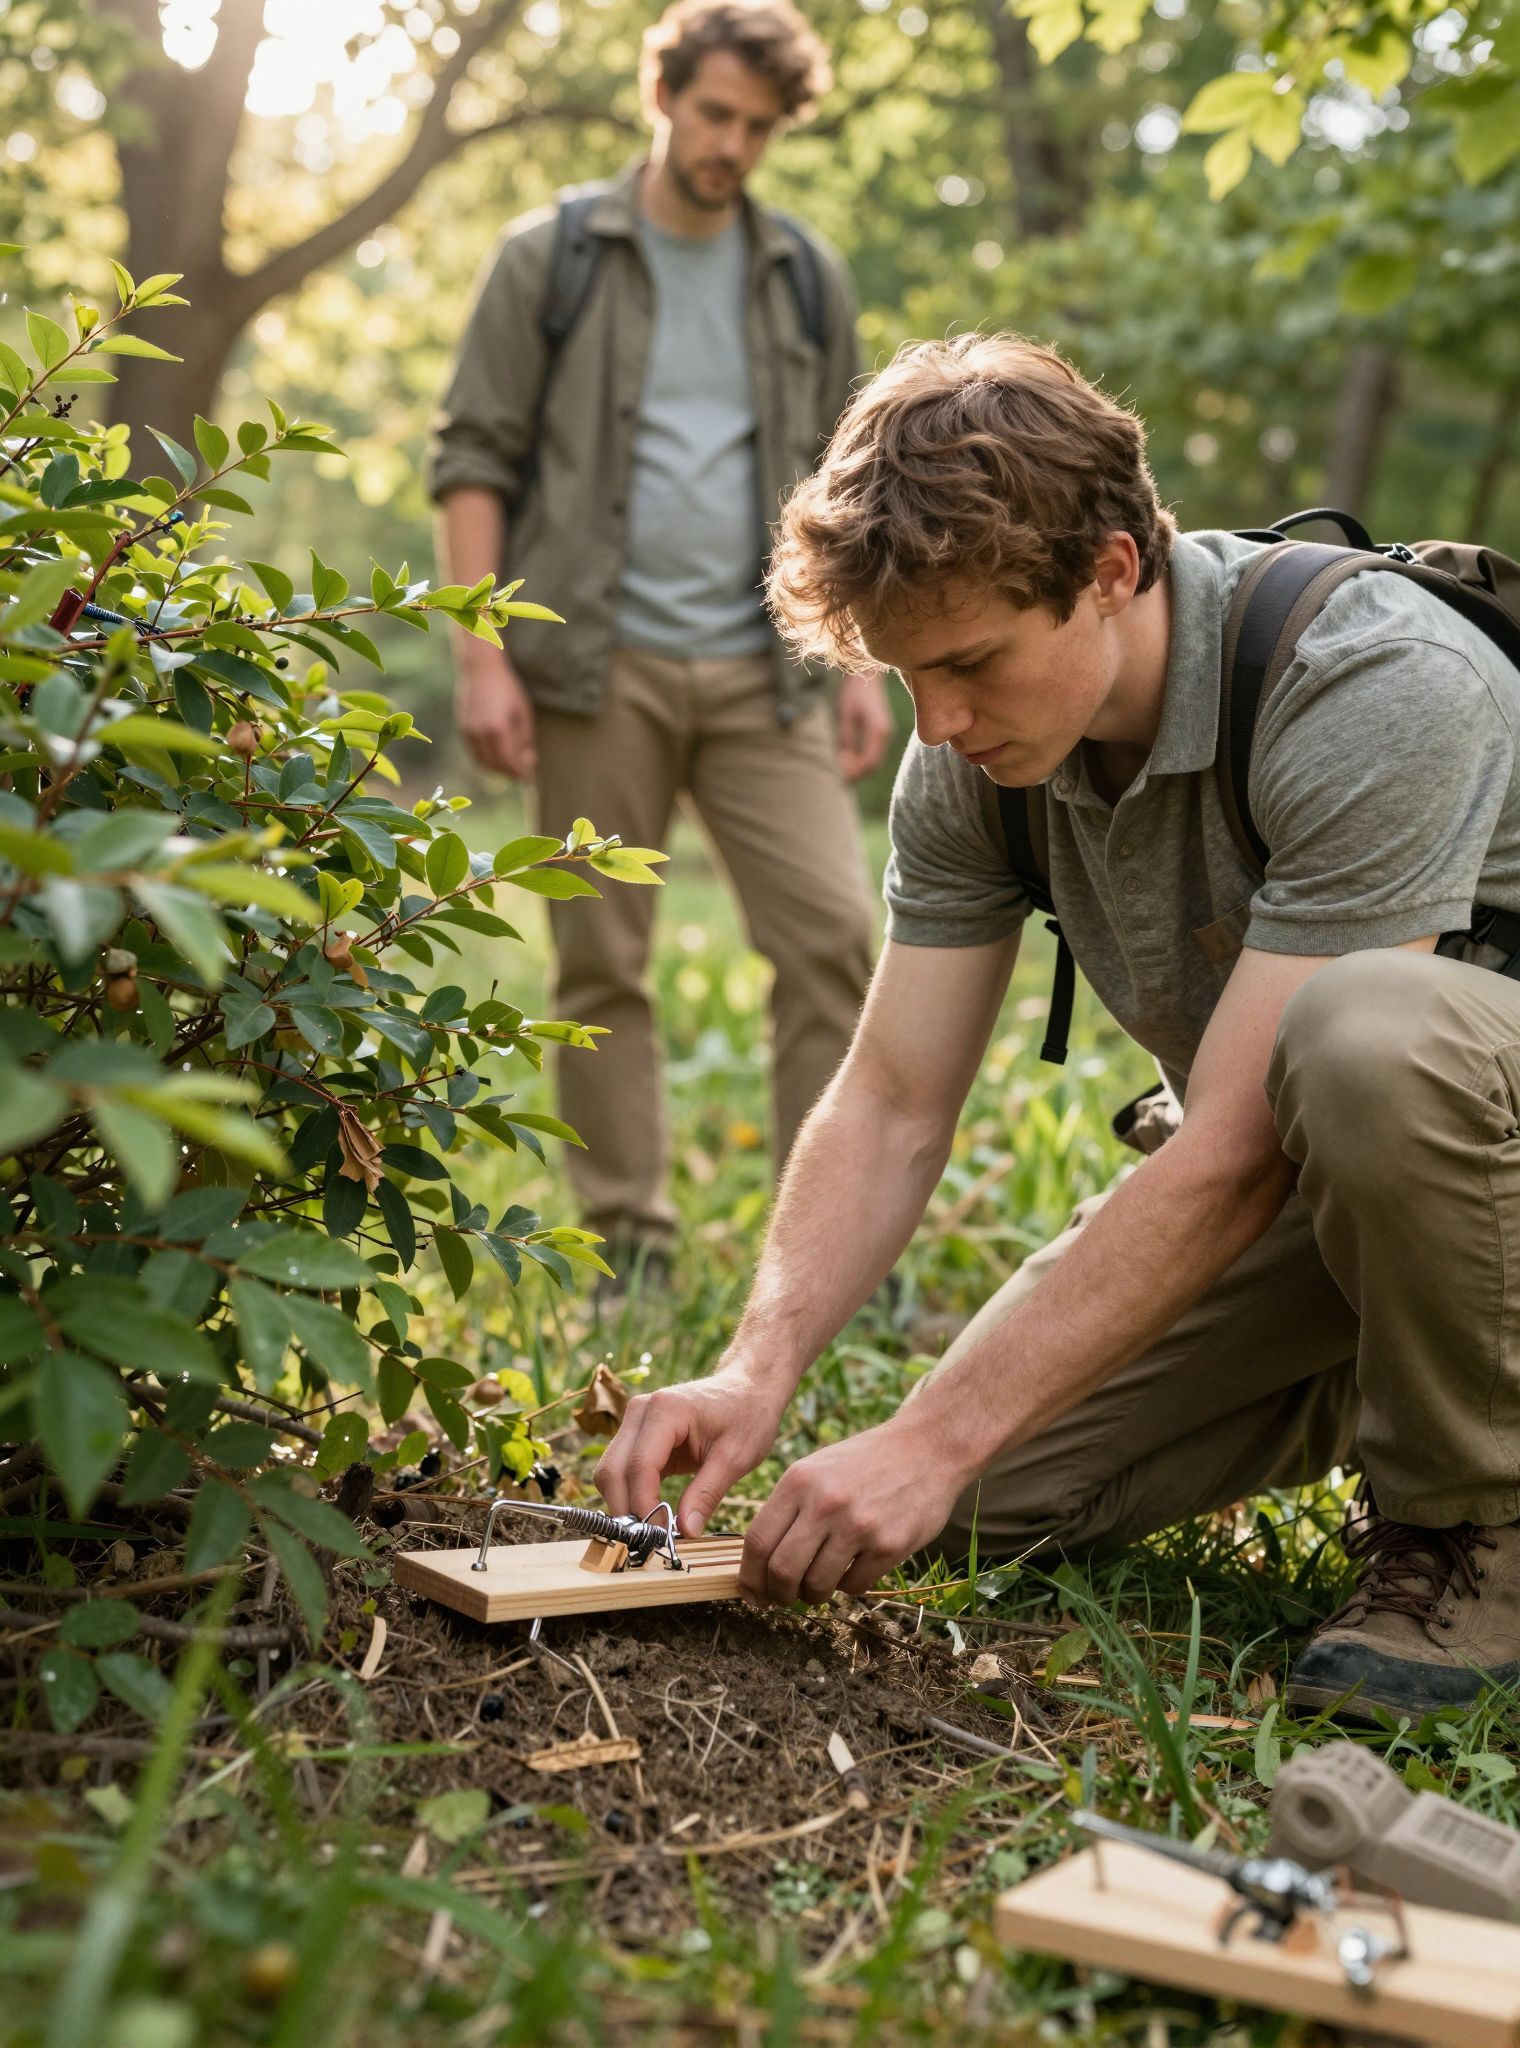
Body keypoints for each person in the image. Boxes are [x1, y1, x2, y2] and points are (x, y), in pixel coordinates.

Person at [595, 330, 1520, 1723]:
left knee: (1358, 1031)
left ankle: (1475, 1531)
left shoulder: (1374, 680)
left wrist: (929, 1429)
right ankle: (1403, 1354)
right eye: (909, 677)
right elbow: (895, 1096)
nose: (942, 720)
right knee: (972, 1502)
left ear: (1111, 571)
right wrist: (758, 1368)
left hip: (1433, 1136)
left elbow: (1228, 1146)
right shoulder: (974, 757)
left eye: (971, 664)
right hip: (1350, 1187)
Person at [429, 0, 889, 1285]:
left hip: (770, 668)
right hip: (592, 666)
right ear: (665, 95)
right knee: (601, 961)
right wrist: (482, 651)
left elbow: (851, 489)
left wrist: (864, 663)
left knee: (834, 939)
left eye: (758, 124)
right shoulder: (552, 258)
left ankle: (831, 1249)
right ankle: (628, 1240)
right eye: (714, 112)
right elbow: (474, 458)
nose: (732, 142)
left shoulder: (805, 276)